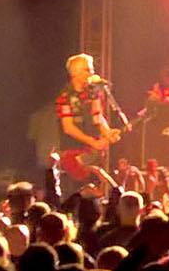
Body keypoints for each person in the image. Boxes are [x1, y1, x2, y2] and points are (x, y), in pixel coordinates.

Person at [51, 53, 124, 201]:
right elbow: (68, 128)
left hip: (92, 154)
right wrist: (93, 142)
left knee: (98, 195)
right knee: (77, 196)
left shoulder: (93, 93)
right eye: (87, 69)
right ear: (75, 73)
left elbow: (98, 117)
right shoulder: (65, 97)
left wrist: (107, 132)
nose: (92, 73)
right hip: (74, 155)